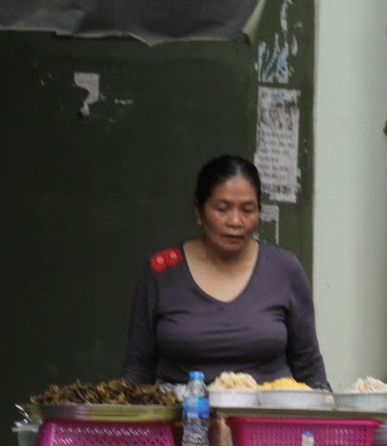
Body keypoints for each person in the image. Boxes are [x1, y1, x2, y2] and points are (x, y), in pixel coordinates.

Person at [119, 154, 329, 389]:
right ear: (198, 211)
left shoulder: (285, 269)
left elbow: (309, 366)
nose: (235, 221)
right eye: (222, 208)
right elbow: (138, 368)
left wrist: (325, 415)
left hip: (266, 419)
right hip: (185, 417)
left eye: (248, 210)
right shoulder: (162, 270)